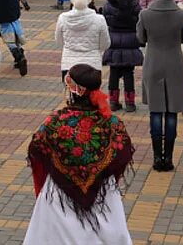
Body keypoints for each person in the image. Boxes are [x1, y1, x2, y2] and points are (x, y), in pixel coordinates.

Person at [24, 64, 134, 245]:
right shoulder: (111, 122)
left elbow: (37, 150)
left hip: (60, 194)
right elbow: (122, 154)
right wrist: (101, 173)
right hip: (102, 192)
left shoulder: (56, 121)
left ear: (72, 91)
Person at [137, 0, 183, 172]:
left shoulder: (145, 14)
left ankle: (156, 157)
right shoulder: (181, 14)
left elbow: (141, 38)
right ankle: (168, 157)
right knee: (171, 111)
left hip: (153, 62)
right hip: (174, 63)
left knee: (156, 110)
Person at [101, 0, 144, 113]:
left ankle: (113, 101)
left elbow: (105, 20)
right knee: (128, 73)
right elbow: (139, 22)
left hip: (113, 39)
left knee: (113, 72)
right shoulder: (135, 5)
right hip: (131, 39)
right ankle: (130, 103)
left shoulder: (108, 5)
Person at [55, 0, 111, 78]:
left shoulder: (63, 18)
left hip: (69, 64)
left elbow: (59, 41)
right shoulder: (99, 19)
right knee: (91, 92)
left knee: (71, 92)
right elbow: (105, 44)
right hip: (93, 64)